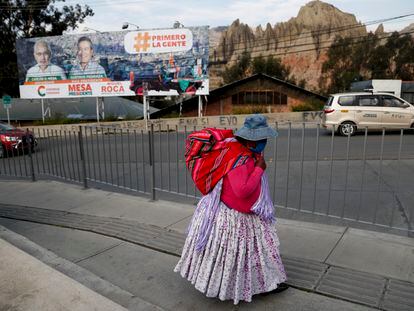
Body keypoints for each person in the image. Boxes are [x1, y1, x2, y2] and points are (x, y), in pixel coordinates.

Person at [175, 114, 288, 304]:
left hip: (241, 212)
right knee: (244, 254)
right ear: (253, 139)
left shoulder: (236, 149)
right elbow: (242, 190)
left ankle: (261, 284)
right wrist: (259, 168)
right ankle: (251, 285)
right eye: (262, 138)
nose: (265, 142)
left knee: (248, 254)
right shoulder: (240, 158)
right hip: (234, 216)